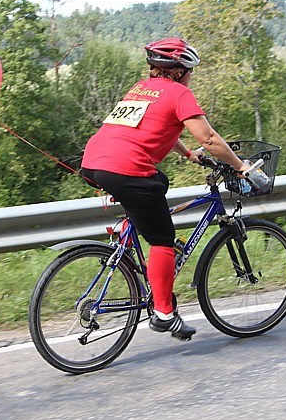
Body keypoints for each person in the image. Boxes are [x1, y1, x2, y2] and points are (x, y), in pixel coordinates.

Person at [81, 37, 249, 340]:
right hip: (127, 168)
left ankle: (137, 249)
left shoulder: (140, 89)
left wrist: (187, 154)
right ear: (179, 71)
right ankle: (164, 313)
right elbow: (209, 139)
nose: (191, 77)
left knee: (159, 184)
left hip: (95, 161)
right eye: (190, 71)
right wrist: (240, 166)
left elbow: (158, 126)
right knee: (162, 238)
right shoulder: (180, 93)